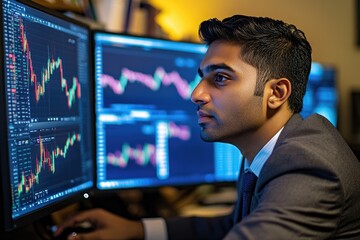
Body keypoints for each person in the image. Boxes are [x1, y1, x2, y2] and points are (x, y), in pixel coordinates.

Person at [55, 14, 360, 240]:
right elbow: (232, 226)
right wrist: (138, 229)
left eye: (221, 78)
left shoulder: (307, 163)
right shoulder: (268, 147)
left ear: (276, 93)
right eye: (202, 76)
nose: (196, 94)